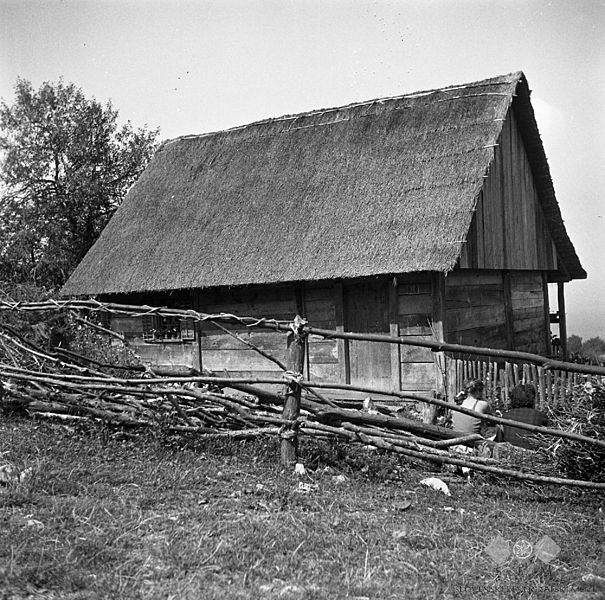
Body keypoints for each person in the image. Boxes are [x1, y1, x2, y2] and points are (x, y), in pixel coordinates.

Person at [501, 384, 547, 449]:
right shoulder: (541, 416)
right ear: (532, 399)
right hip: (533, 455)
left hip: (510, 453)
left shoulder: (506, 416)